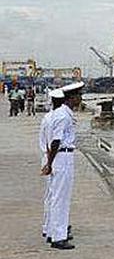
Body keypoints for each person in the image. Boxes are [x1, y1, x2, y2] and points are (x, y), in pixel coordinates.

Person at [42, 82, 83, 250]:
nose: (80, 99)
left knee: (55, 197)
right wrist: (49, 164)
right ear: (71, 98)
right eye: (78, 96)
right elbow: (56, 141)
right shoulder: (64, 116)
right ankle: (59, 237)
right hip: (62, 157)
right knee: (61, 198)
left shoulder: (57, 114)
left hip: (58, 157)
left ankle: (52, 232)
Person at [40, 90, 66, 242]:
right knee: (57, 197)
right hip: (55, 157)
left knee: (51, 196)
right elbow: (55, 142)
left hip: (49, 156)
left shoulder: (48, 117)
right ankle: (56, 234)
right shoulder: (59, 117)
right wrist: (49, 163)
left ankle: (49, 228)